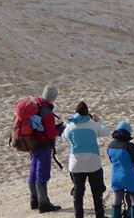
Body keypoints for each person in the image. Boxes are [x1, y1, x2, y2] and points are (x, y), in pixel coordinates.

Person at [62, 101, 109, 218]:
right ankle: (100, 214)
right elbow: (106, 132)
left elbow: (63, 137)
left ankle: (79, 215)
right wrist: (99, 121)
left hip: (76, 163)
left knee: (78, 192)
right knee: (96, 191)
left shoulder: (71, 125)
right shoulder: (93, 124)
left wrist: (68, 125)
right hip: (93, 163)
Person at [29, 85, 62, 213]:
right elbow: (50, 133)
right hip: (43, 145)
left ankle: (34, 200)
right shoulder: (47, 112)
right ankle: (44, 203)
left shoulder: (34, 106)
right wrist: (59, 129)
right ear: (53, 98)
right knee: (42, 173)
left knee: (33, 171)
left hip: (32, 143)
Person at [107, 121, 134, 218]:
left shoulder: (110, 145)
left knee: (117, 200)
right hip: (129, 176)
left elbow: (111, 160)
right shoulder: (129, 146)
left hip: (115, 177)